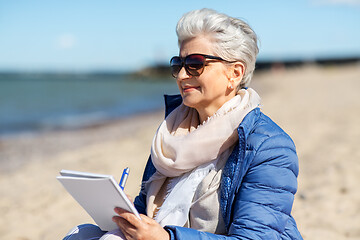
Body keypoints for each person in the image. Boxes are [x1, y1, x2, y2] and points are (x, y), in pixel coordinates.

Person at [63, 8, 303, 240]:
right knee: (82, 234)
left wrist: (167, 238)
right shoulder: (170, 134)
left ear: (235, 73)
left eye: (195, 64)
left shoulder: (269, 147)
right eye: (178, 64)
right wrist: (129, 213)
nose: (181, 75)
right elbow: (151, 211)